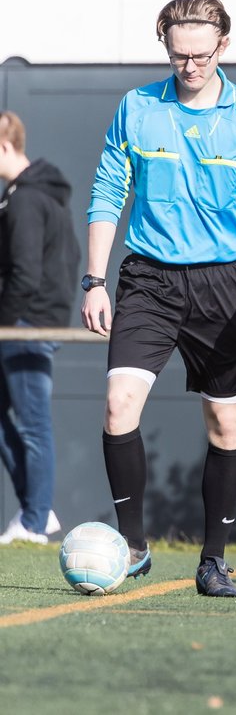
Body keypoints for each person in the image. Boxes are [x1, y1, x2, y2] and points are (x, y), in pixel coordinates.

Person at [82, 0, 236, 597]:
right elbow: (107, 193)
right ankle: (133, 545)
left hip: (227, 282)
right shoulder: (138, 107)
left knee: (225, 424)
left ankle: (213, 560)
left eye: (201, 55)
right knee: (119, 405)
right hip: (148, 277)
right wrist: (95, 280)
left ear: (223, 46)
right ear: (167, 48)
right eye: (179, 56)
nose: (191, 67)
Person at [0, 111, 78, 545]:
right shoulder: (27, 195)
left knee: (33, 426)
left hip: (27, 326)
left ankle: (34, 521)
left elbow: (26, 275)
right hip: (28, 323)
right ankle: (37, 510)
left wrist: (6, 325)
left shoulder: (28, 199)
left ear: (5, 146)